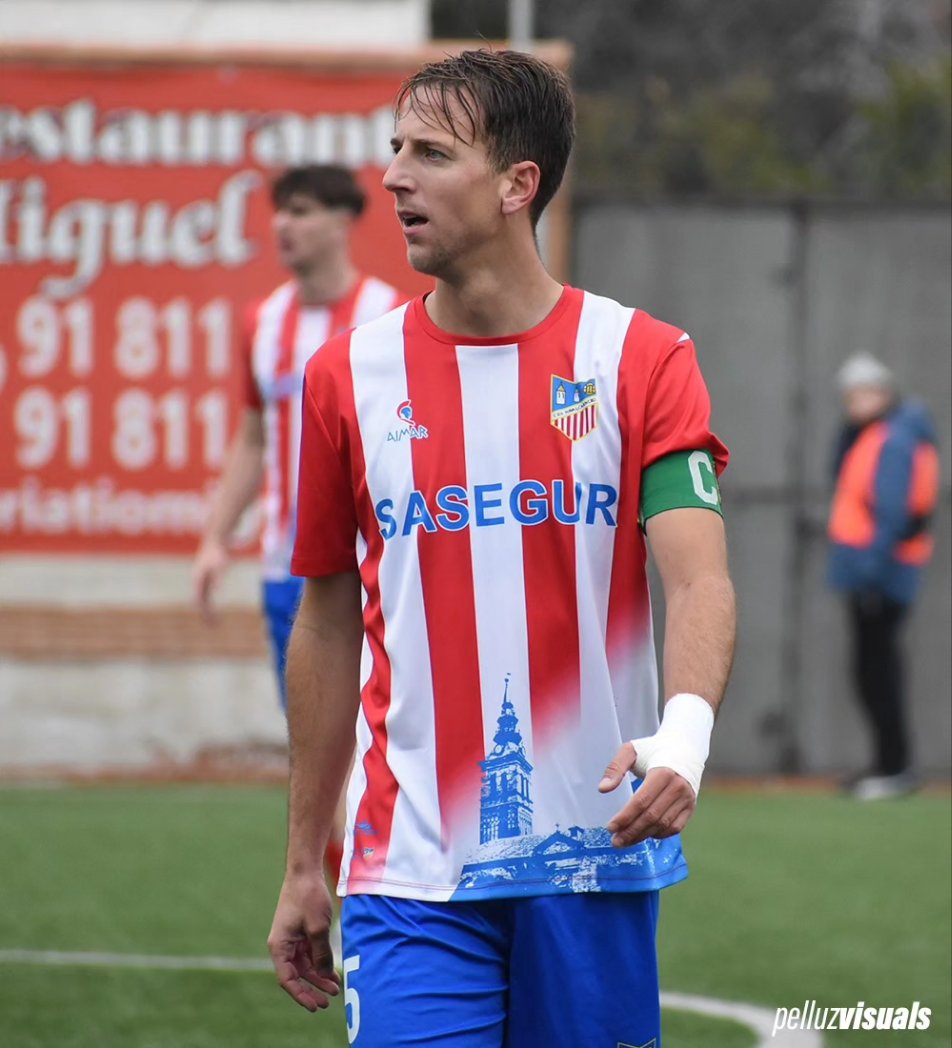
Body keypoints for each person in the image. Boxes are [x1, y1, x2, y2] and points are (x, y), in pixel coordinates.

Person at [267, 50, 736, 1048]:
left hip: (593, 859)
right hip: (407, 871)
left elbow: (699, 578)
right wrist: (307, 858)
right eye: (396, 148)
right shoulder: (343, 377)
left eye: (430, 154)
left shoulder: (643, 358)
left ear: (518, 184)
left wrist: (685, 738)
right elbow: (325, 622)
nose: (393, 176)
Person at [193, 164, 403, 881]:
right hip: (288, 575)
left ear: (345, 220)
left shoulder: (389, 314)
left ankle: (376, 902)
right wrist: (215, 538)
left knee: (382, 756)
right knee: (322, 762)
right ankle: (347, 906)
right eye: (281, 210)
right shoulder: (263, 323)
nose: (285, 224)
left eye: (303, 210)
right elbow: (254, 438)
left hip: (377, 577)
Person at [827, 351, 939, 801]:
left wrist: (872, 574)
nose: (855, 403)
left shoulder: (894, 440)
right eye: (850, 396)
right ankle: (887, 763)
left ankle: (894, 767)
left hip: (881, 576)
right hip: (870, 573)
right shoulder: (872, 435)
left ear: (885, 393)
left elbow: (892, 515)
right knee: (871, 669)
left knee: (879, 671)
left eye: (865, 393)